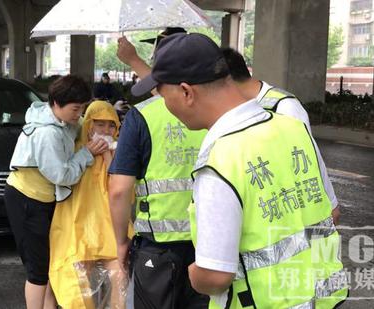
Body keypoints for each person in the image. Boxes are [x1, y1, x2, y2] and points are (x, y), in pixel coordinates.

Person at [132, 32, 348, 308]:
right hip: (322, 299)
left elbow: (215, 276)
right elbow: (333, 212)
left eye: (163, 95)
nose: (165, 105)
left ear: (186, 92)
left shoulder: (221, 161)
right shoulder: (293, 128)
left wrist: (194, 274)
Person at [109, 31, 209, 308]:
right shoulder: (217, 114)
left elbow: (119, 191)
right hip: (211, 243)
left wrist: (120, 242)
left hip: (157, 247)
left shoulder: (142, 116)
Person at [4, 75, 109, 309]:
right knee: (38, 270)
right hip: (27, 201)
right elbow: (62, 176)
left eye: (82, 108)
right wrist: (87, 154)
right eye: (75, 108)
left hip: (45, 200)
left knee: (52, 263)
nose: (79, 114)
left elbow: (85, 128)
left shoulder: (65, 121)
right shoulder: (47, 134)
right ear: (57, 103)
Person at [222, 47, 341, 224]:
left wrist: (330, 204)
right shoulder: (236, 108)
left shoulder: (285, 108)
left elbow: (309, 162)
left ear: (226, 82)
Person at [49, 100, 131, 309]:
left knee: (120, 275)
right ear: (89, 125)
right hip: (78, 227)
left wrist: (106, 155)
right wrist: (88, 153)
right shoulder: (75, 150)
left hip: (111, 227)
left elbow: (120, 188)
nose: (105, 130)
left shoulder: (120, 153)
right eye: (99, 124)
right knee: (75, 279)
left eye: (111, 125)